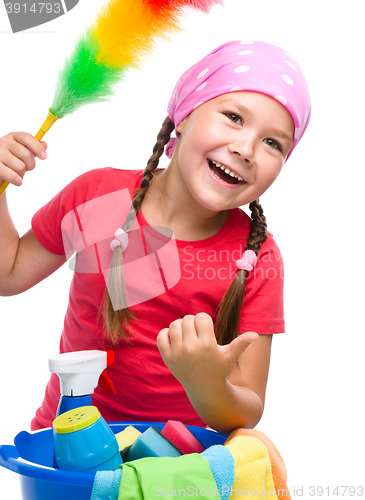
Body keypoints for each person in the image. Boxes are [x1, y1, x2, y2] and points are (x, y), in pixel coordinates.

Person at [0, 40, 311, 435]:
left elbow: (246, 412)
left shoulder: (257, 257)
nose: (247, 149)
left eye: (273, 143)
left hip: (174, 474)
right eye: (233, 117)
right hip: (66, 456)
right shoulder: (96, 196)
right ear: (183, 115)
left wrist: (207, 383)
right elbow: (7, 273)